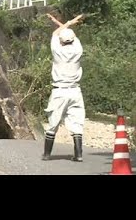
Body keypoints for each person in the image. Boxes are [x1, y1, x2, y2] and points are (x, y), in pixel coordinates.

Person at [43, 13, 85, 162]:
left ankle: (47, 154)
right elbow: (68, 36)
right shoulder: (78, 50)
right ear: (73, 40)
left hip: (59, 90)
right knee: (76, 122)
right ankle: (78, 154)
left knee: (53, 122)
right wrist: (69, 23)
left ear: (60, 41)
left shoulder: (57, 51)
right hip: (75, 90)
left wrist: (68, 22)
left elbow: (56, 33)